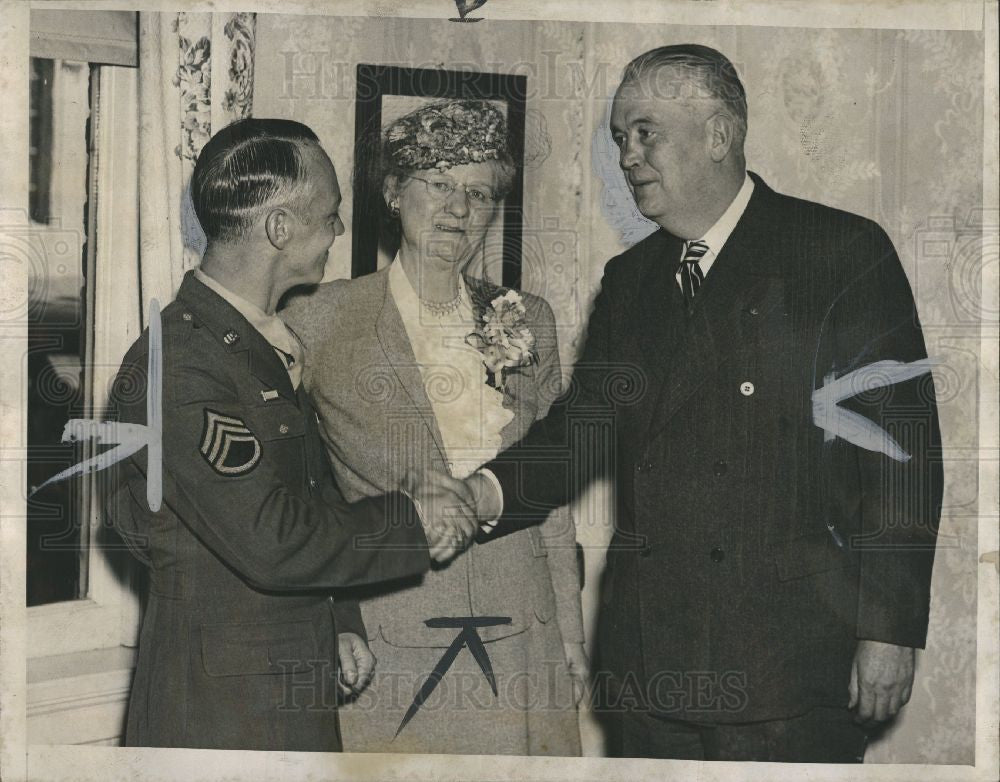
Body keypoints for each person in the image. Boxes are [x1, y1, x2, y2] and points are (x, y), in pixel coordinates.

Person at [458, 45, 943, 762]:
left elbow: (901, 454)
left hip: (790, 665)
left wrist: (890, 628)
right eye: (620, 137)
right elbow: (584, 431)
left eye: (645, 131)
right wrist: (483, 492)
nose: (627, 155)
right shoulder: (633, 279)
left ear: (717, 135)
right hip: (654, 663)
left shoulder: (837, 251)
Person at [106, 118, 477, 752]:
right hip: (224, 708)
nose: (338, 231)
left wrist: (336, 617)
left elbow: (304, 492)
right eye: (331, 217)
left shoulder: (251, 343)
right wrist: (415, 518)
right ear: (281, 228)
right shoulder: (182, 363)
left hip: (278, 676)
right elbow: (273, 537)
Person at [281, 99, 585, 756]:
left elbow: (551, 485)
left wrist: (570, 633)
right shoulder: (320, 318)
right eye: (440, 184)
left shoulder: (526, 318)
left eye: (479, 193)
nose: (459, 209)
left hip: (525, 634)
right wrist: (329, 620)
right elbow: (297, 490)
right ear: (394, 191)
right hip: (395, 639)